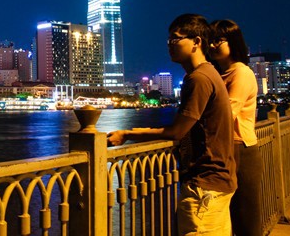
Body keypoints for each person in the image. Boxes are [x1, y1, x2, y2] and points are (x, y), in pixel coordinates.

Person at [107, 14, 237, 235]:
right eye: (168, 40)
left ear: (196, 42)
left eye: (176, 39)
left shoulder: (200, 79)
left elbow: (177, 131)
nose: (170, 45)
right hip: (217, 181)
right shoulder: (207, 74)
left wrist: (128, 133)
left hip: (205, 186)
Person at [210, 19, 262, 236]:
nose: (212, 45)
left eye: (218, 41)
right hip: (225, 148)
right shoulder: (219, 74)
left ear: (233, 41)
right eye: (210, 41)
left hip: (241, 148)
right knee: (226, 217)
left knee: (245, 216)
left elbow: (226, 113)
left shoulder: (240, 72)